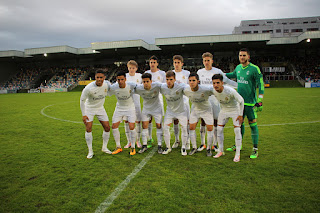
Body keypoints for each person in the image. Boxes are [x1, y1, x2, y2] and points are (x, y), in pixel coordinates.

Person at [226, 48, 264, 159]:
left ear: (248, 57)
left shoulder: (254, 69)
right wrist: (220, 73)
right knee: (239, 124)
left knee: (253, 125)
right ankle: (238, 145)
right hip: (239, 104)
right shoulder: (238, 68)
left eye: (244, 55)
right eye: (240, 55)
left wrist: (260, 100)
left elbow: (261, 84)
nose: (242, 57)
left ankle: (255, 149)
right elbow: (232, 74)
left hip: (250, 104)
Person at [197, 52, 237, 152]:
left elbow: (227, 81)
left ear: (212, 61)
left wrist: (239, 85)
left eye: (208, 60)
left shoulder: (217, 71)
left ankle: (214, 144)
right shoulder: (199, 72)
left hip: (215, 101)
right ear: (203, 61)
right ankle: (203, 144)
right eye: (205, 60)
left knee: (215, 122)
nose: (206, 62)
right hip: (204, 101)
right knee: (203, 122)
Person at [211, 74, 244, 162]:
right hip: (224, 110)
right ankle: (221, 151)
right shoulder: (213, 91)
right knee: (219, 130)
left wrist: (240, 115)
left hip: (235, 110)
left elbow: (241, 101)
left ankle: (237, 154)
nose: (216, 85)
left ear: (222, 83)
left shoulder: (230, 91)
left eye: (218, 83)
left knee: (237, 130)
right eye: (214, 83)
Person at [80, 70, 111, 159]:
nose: (99, 79)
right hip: (89, 109)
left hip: (100, 108)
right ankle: (90, 151)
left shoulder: (107, 84)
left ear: (104, 78)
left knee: (107, 127)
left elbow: (113, 89)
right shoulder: (88, 88)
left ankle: (104, 148)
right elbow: (82, 100)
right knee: (88, 128)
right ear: (95, 78)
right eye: (97, 77)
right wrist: (83, 114)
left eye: (101, 77)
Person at [183, 73, 214, 156]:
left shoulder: (206, 89)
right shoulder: (186, 90)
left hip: (206, 110)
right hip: (195, 110)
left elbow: (216, 91)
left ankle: (208, 148)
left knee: (210, 129)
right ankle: (194, 147)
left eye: (193, 80)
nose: (191, 82)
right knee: (191, 128)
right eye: (190, 81)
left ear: (198, 81)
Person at [109, 72, 137, 156]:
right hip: (119, 108)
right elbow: (106, 91)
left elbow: (140, 87)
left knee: (131, 127)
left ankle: (133, 147)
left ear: (125, 79)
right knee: (114, 126)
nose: (120, 81)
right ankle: (118, 147)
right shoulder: (114, 87)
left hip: (130, 108)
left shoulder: (131, 85)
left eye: (122, 79)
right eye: (118, 80)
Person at [160, 71, 188, 155]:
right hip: (170, 111)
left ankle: (183, 147)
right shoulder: (163, 87)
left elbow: (190, 87)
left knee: (184, 128)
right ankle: (168, 147)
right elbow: (154, 85)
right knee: (165, 128)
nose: (169, 81)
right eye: (167, 79)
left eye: (171, 79)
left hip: (181, 111)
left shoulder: (180, 86)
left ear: (175, 79)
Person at [134, 73, 164, 154]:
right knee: (144, 126)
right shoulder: (139, 88)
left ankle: (160, 145)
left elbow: (166, 87)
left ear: (151, 81)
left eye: (147, 81)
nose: (146, 83)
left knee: (159, 126)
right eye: (144, 82)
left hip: (157, 109)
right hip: (146, 109)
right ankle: (144, 145)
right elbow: (129, 87)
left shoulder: (157, 85)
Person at [145, 55, 166, 147]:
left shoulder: (162, 73)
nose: (152, 64)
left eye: (154, 62)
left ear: (157, 63)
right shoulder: (146, 73)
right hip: (148, 100)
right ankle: (149, 138)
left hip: (158, 99)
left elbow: (164, 86)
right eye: (151, 62)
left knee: (159, 122)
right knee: (149, 120)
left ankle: (160, 141)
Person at [172, 55, 191, 150]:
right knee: (175, 121)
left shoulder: (187, 73)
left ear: (182, 64)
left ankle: (187, 141)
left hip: (185, 101)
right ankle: (176, 140)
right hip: (174, 102)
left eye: (178, 63)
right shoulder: (171, 73)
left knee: (186, 122)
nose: (176, 64)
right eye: (175, 62)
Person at [124, 60, 142, 149]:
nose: (131, 69)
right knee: (127, 122)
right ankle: (129, 141)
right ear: (128, 68)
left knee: (137, 122)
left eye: (133, 68)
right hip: (127, 103)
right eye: (130, 68)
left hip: (136, 102)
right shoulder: (125, 76)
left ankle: (138, 141)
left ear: (136, 68)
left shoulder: (139, 76)